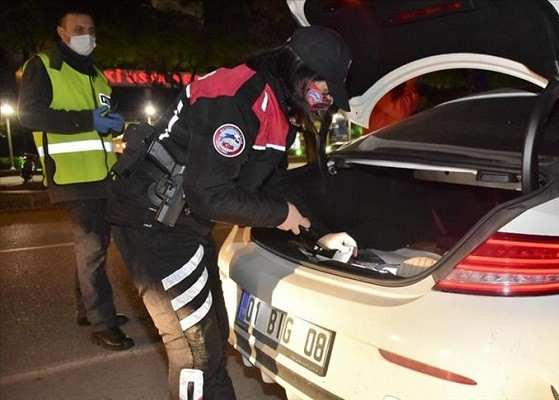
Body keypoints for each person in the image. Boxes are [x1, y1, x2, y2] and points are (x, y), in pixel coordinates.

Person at [106, 26, 357, 399]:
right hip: (154, 227)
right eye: (325, 89)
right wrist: (280, 214)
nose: (327, 100)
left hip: (184, 225)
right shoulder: (237, 95)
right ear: (300, 71)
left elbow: (273, 186)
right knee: (195, 351)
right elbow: (210, 196)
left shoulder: (276, 109)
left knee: (211, 338)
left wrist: (316, 231)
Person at [17, 8, 133, 351]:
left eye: (91, 28)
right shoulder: (43, 66)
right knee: (93, 248)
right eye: (78, 28)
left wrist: (115, 125)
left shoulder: (97, 74)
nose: (86, 34)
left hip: (101, 173)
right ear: (61, 32)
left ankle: (88, 309)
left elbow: (103, 121)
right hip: (70, 175)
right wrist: (88, 120)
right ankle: (103, 322)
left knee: (93, 248)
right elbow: (30, 115)